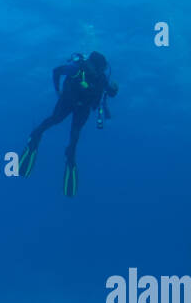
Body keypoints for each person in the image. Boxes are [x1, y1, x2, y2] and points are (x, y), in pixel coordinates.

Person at [17, 51, 119, 196]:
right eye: (101, 68)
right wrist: (58, 91)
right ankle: (36, 137)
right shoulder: (77, 68)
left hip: (83, 108)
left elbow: (110, 92)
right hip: (68, 101)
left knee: (73, 134)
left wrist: (115, 89)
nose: (101, 71)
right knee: (56, 121)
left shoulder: (101, 78)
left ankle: (70, 158)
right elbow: (56, 71)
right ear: (97, 65)